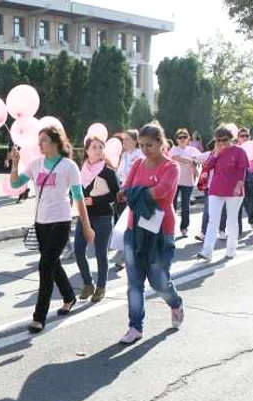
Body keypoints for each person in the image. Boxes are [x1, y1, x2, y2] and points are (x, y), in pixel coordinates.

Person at [9, 125, 95, 334]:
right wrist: (15, 163)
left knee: (45, 266)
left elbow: (78, 198)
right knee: (53, 264)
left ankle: (39, 317)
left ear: (56, 142)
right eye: (39, 140)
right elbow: (15, 184)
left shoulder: (69, 166)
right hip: (40, 223)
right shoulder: (36, 164)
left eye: (44, 140)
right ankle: (69, 296)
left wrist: (86, 226)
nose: (40, 144)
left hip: (61, 222)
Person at [116, 122, 184, 344]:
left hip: (161, 232)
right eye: (142, 145)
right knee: (134, 283)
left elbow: (163, 191)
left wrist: (134, 194)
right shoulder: (137, 164)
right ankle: (135, 327)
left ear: (161, 143)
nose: (146, 149)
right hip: (134, 230)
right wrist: (125, 193)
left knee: (158, 280)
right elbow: (126, 188)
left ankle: (175, 302)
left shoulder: (171, 166)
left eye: (150, 145)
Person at [75, 136, 120, 303]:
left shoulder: (108, 172)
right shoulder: (80, 170)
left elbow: (117, 195)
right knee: (78, 251)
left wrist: (95, 200)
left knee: (101, 253)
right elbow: (76, 190)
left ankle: (101, 287)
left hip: (103, 216)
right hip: (84, 216)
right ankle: (88, 284)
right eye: (94, 147)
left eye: (101, 147)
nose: (98, 150)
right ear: (87, 151)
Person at [197, 126, 249, 262]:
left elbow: (242, 170)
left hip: (234, 191)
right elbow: (206, 167)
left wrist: (239, 185)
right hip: (215, 189)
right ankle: (207, 251)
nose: (221, 143)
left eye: (224, 140)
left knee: (231, 221)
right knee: (212, 220)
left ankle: (231, 248)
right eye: (218, 140)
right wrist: (215, 154)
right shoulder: (216, 151)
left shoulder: (239, 151)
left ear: (231, 139)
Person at [114, 129, 143, 269]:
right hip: (125, 193)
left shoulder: (140, 155)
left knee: (130, 226)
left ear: (136, 141)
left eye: (127, 140)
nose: (124, 142)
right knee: (127, 226)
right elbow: (120, 173)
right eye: (123, 140)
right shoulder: (124, 155)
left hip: (137, 193)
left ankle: (126, 256)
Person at [169, 128, 197, 237]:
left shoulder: (192, 150)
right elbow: (176, 158)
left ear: (188, 138)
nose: (182, 139)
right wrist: (190, 160)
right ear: (177, 139)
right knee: (172, 206)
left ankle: (184, 227)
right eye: (180, 137)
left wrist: (195, 165)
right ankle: (170, 228)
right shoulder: (174, 149)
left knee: (186, 206)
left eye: (185, 137)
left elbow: (199, 160)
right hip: (175, 181)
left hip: (188, 181)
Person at [238, 128, 253, 230]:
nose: (244, 138)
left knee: (250, 201)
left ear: (250, 137)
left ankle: (252, 219)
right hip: (237, 177)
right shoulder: (235, 148)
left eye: (246, 136)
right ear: (238, 138)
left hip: (250, 177)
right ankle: (238, 229)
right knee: (240, 203)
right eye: (242, 136)